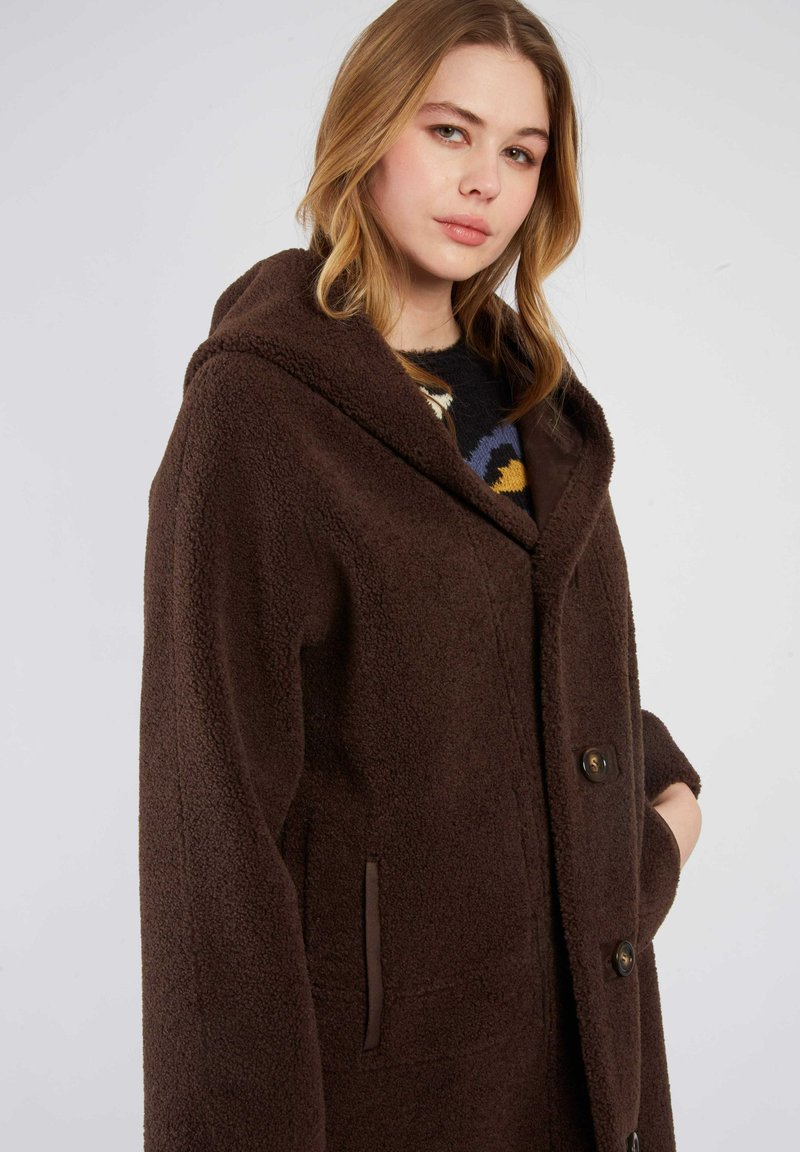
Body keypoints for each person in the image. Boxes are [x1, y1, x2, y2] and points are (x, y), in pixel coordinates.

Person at [138, 1, 703, 1150]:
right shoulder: (258, 412)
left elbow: (531, 673)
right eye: (449, 131)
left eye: (520, 153)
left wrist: (660, 814)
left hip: (586, 1063)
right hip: (396, 1093)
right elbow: (212, 833)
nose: (483, 181)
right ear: (368, 127)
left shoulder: (536, 408)